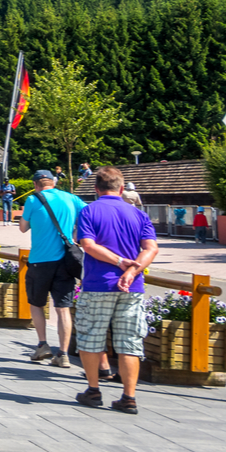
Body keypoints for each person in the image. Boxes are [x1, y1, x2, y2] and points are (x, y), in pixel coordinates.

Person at [75, 166, 159, 414]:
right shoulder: (138, 214)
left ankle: (93, 390)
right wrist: (132, 271)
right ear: (122, 189)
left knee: (90, 337)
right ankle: (129, 396)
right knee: (129, 341)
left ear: (96, 189)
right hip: (132, 288)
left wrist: (119, 262)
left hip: (98, 283)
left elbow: (88, 245)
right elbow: (151, 248)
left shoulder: (89, 211)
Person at [18, 168, 86, 368]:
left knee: (36, 303)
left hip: (40, 260)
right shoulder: (72, 199)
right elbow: (88, 214)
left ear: (35, 184)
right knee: (63, 308)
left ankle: (42, 345)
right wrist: (75, 231)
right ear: (53, 182)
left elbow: (23, 227)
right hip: (65, 261)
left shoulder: (32, 200)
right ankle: (63, 354)